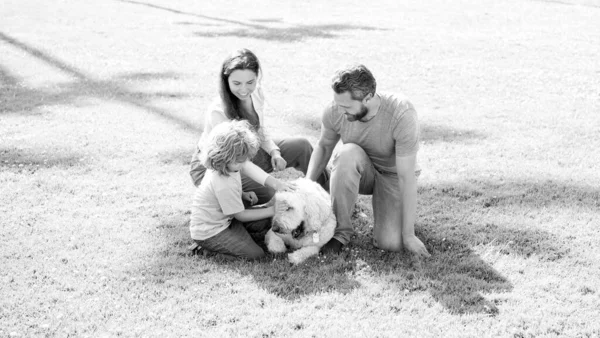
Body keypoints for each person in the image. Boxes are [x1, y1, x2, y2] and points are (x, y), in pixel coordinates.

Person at [306, 64, 430, 257]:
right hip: (358, 167)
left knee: (390, 244)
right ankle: (340, 233)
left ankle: (390, 217)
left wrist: (409, 235)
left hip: (394, 175)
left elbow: (407, 177)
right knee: (347, 153)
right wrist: (306, 186)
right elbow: (323, 147)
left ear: (368, 98)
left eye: (346, 106)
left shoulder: (401, 113)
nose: (340, 110)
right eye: (337, 103)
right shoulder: (335, 110)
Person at [190, 48, 328, 204]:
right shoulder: (218, 111)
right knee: (269, 193)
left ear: (257, 77)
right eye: (236, 83)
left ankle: (330, 197)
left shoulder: (255, 93)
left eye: (250, 82)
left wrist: (274, 152)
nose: (244, 89)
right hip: (220, 167)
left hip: (249, 152)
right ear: (226, 80)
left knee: (301, 146)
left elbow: (259, 129)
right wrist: (273, 182)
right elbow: (238, 161)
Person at [190, 119, 293, 260]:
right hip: (210, 231)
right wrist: (272, 210)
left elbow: (244, 171)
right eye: (239, 161)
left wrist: (243, 194)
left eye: (245, 159)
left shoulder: (227, 165)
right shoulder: (223, 182)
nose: (243, 164)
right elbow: (241, 215)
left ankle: (236, 238)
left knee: (264, 223)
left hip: (226, 220)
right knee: (255, 255)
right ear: (223, 157)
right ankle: (206, 249)